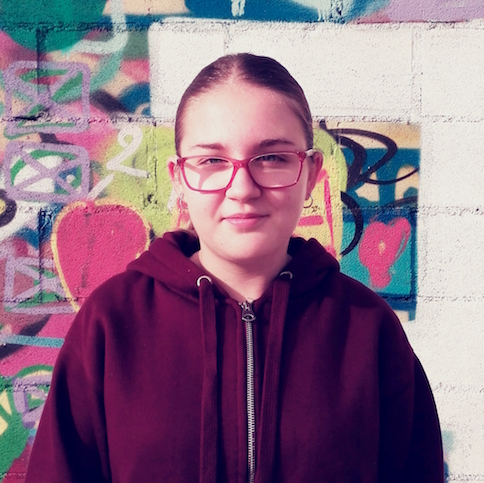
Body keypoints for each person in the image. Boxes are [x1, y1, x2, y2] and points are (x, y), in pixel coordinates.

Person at [25, 53, 444, 483]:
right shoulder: (111, 323)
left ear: (311, 173)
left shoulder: (369, 329)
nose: (242, 188)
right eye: (212, 161)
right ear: (179, 178)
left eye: (272, 158)